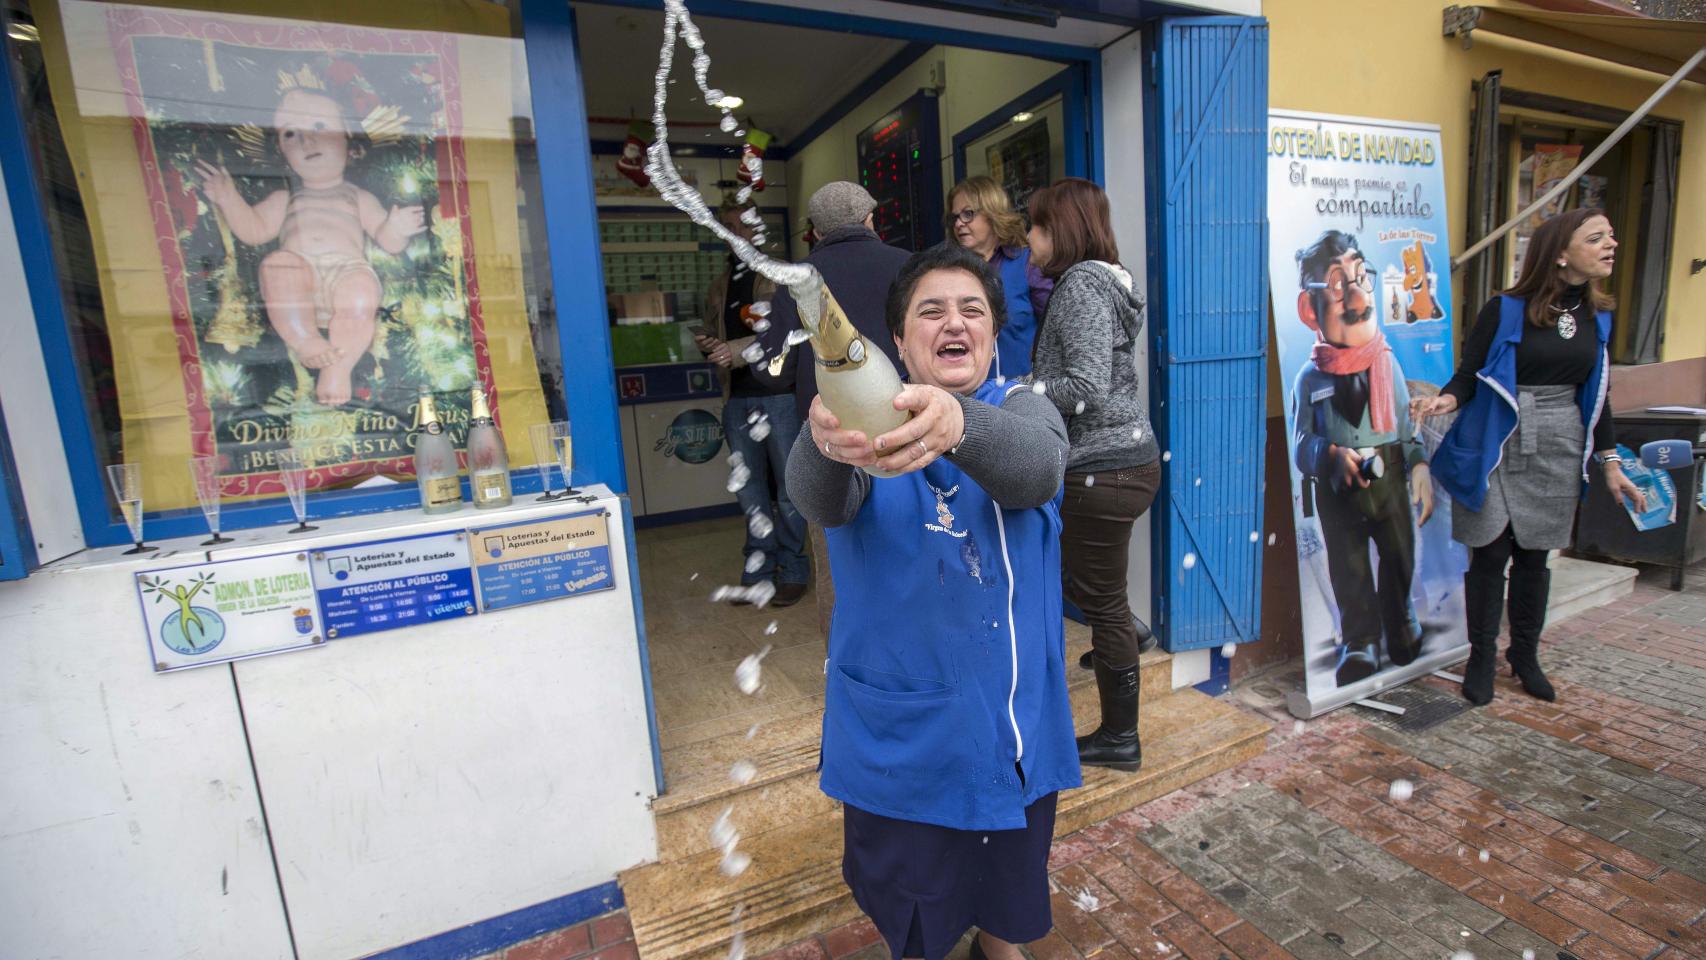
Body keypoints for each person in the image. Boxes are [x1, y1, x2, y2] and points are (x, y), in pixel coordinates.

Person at [787, 244, 1077, 960]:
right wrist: (823, 442)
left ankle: (1000, 950)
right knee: (916, 922)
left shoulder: (1025, 409)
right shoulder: (863, 424)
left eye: (972, 309)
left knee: (1008, 895)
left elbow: (1037, 471)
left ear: (993, 333)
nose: (955, 322)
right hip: (905, 743)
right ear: (897, 340)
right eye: (932, 311)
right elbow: (818, 501)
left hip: (1013, 730)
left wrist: (958, 425)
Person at [1416, 208, 1645, 707]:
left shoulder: (1600, 317)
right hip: (1497, 437)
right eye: (1596, 238)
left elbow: (1599, 396)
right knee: (1489, 553)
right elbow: (1469, 375)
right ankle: (1480, 658)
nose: (1611, 244)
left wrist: (1610, 463)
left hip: (1559, 441)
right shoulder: (1505, 310)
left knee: (1535, 555)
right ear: (1560, 254)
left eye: (1610, 235)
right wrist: (1445, 401)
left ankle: (1524, 655)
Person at [1026, 178, 1158, 772]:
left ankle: (1120, 738)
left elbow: (1085, 386)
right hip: (1127, 460)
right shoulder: (1108, 279)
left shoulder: (1081, 284)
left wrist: (1022, 390)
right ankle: (1128, 634)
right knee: (1081, 579)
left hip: (1101, 469)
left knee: (1100, 603)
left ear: (1062, 230)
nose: (1029, 239)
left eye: (1037, 227)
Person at [196, 81, 426, 407]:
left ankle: (338, 369)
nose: (307, 140)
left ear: (350, 140)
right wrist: (228, 198)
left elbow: (388, 241)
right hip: (298, 275)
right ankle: (306, 340)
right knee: (278, 265)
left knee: (362, 291)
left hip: (346, 273)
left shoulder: (357, 197)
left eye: (320, 126)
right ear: (281, 151)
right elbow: (253, 230)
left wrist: (397, 227)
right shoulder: (285, 199)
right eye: (291, 133)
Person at [759, 182, 910, 634]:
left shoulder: (798, 281)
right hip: (905, 435)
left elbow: (773, 371)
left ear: (815, 231)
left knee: (837, 570)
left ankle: (843, 662)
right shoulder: (909, 266)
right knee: (914, 554)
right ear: (870, 219)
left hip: (831, 444)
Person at [1289, 230, 1434, 688]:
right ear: (1309, 308)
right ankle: (1360, 640)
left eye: (1360, 278)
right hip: (1338, 489)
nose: (1356, 298)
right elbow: (1300, 442)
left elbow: (1407, 429)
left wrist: (1419, 465)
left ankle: (1402, 621)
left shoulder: (1388, 364)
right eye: (1337, 285)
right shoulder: (1309, 380)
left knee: (1399, 555)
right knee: (1348, 566)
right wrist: (1329, 455)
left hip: (1389, 479)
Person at [693, 199, 808, 607]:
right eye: (728, 225)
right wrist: (708, 343)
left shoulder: (779, 274)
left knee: (789, 491)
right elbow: (718, 334)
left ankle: (793, 571)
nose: (735, 232)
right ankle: (759, 572)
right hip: (736, 399)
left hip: (778, 398)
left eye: (743, 224)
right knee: (750, 492)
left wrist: (736, 350)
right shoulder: (719, 284)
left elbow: (789, 332)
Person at [945, 175, 1051, 381]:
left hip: (1023, 392)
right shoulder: (949, 272)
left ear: (992, 213)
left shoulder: (1027, 263)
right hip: (969, 394)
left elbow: (1055, 328)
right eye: (954, 217)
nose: (958, 223)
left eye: (968, 214)